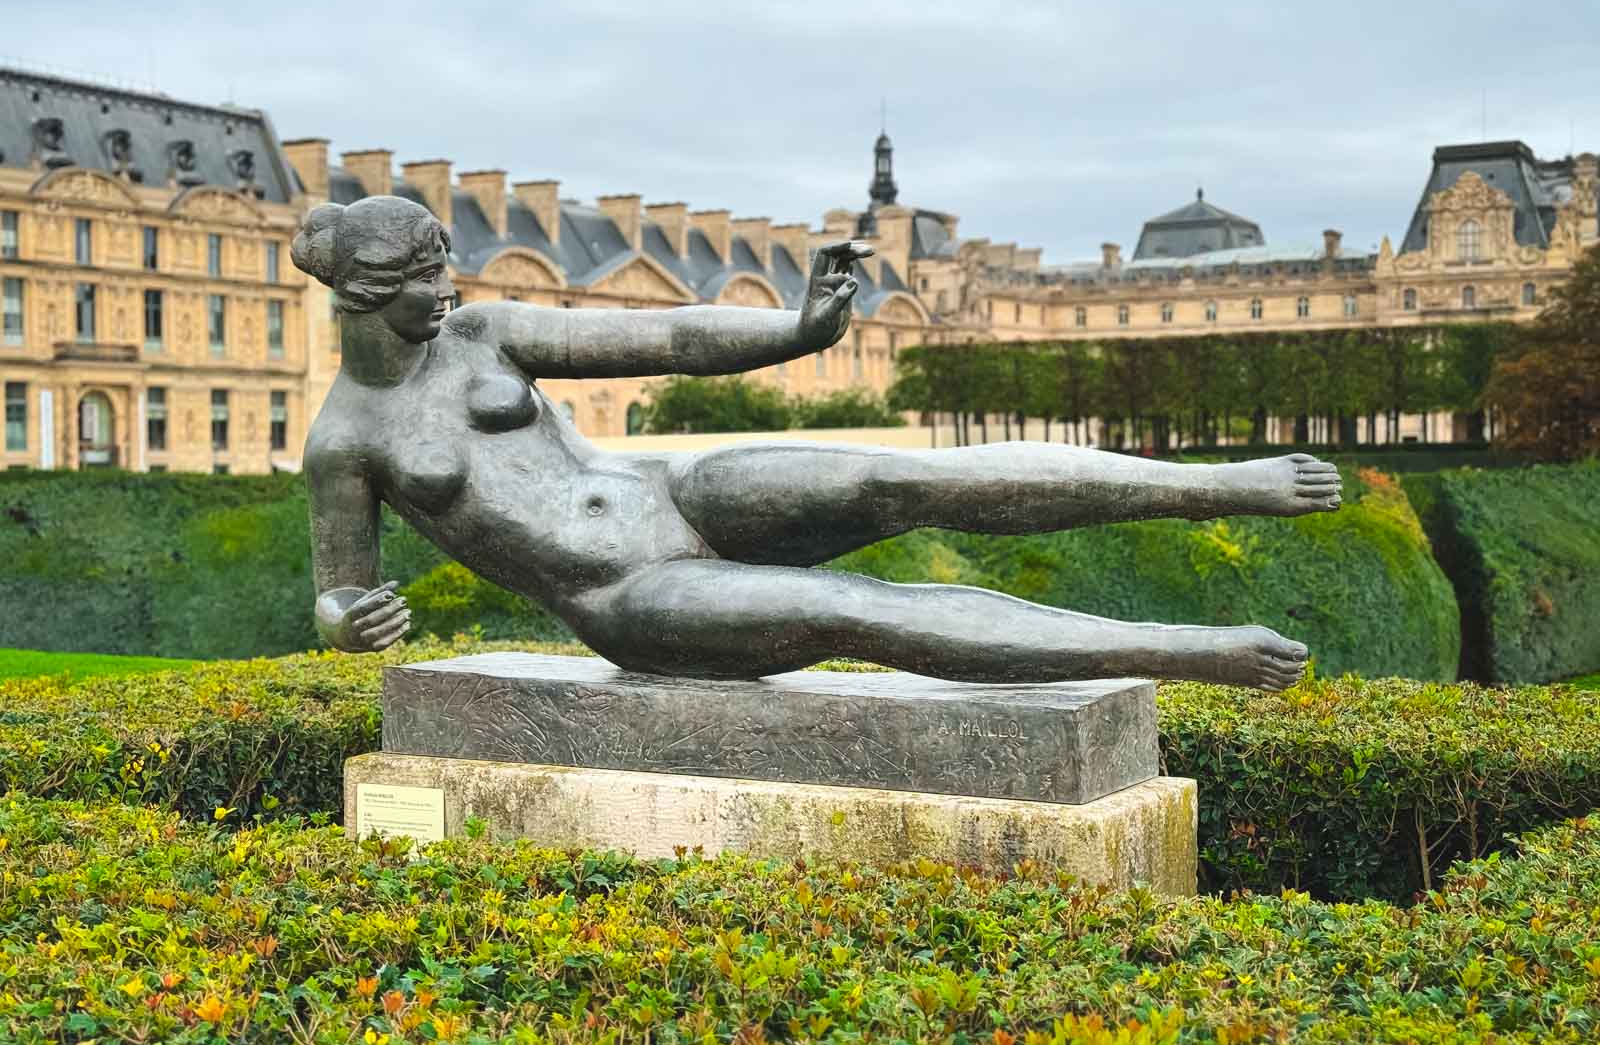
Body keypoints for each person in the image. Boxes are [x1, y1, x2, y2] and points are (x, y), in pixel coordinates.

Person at [293, 196, 1341, 689]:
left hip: (679, 491)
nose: (450, 285)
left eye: (446, 263)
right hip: (628, 598)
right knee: (851, 609)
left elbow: (670, 334)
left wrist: (795, 333)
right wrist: (352, 619)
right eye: (428, 273)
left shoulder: (486, 333)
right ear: (363, 292)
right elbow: (338, 586)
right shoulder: (346, 438)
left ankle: (1222, 484)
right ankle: (1191, 654)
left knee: (901, 476)